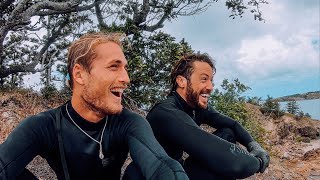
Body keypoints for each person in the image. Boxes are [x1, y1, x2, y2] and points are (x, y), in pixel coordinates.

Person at [0, 32, 189, 180]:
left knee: (139, 172)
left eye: (125, 68)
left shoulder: (129, 122)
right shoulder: (44, 125)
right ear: (79, 74)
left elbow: (161, 165)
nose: (126, 78)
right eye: (114, 66)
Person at [146, 53, 270, 179]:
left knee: (227, 133)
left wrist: (253, 145)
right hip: (155, 176)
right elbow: (235, 164)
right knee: (227, 160)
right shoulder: (167, 112)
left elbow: (232, 124)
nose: (210, 87)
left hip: (177, 170)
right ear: (181, 81)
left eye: (211, 81)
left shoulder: (194, 107)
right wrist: (259, 162)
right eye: (204, 79)